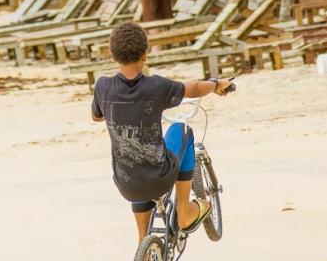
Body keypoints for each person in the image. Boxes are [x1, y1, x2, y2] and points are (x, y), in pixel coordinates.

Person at [91, 22, 232, 242]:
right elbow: (193, 88)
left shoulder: (102, 86)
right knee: (182, 129)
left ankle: (143, 243)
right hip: (159, 178)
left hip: (125, 183)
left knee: (133, 161)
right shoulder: (155, 87)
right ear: (144, 55)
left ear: (112, 56)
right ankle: (184, 211)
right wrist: (215, 84)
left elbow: (97, 116)